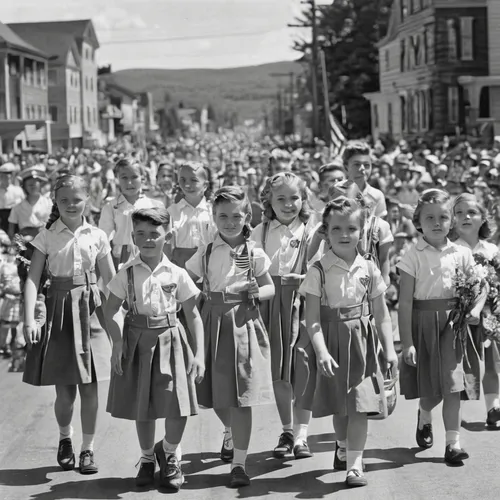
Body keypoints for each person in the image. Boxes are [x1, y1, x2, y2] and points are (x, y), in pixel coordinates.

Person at [295, 196, 397, 488]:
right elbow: (311, 319)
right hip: (331, 343)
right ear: (325, 232)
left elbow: (382, 314)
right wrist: (322, 351)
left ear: (361, 232)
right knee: (341, 407)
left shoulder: (369, 268)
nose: (343, 235)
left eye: (351, 228)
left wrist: (389, 349)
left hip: (363, 344)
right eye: (336, 228)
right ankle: (341, 444)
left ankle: (354, 465)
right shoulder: (318, 270)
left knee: (360, 405)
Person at [105, 208, 204, 490]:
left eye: (154, 234)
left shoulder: (177, 273)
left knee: (178, 404)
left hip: (171, 340)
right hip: (138, 343)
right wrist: (116, 344)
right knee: (144, 407)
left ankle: (170, 453)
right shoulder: (126, 273)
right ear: (133, 236)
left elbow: (193, 315)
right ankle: (147, 458)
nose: (148, 240)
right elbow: (110, 310)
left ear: (167, 236)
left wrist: (199, 354)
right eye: (141, 234)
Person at [22, 175, 115, 474]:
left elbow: (111, 282)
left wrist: (122, 321)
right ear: (55, 201)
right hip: (60, 311)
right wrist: (29, 319)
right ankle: (65, 438)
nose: (71, 205)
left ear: (88, 199)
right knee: (65, 393)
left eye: (77, 199)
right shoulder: (47, 236)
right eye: (64, 200)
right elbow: (33, 279)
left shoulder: (98, 235)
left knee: (90, 388)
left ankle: (88, 449)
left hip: (91, 311)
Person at [186, 186, 275, 488]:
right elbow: (191, 285)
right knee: (214, 393)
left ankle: (239, 463)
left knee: (242, 396)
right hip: (212, 320)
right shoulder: (207, 251)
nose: (229, 222)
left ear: (247, 216)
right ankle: (230, 430)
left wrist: (257, 292)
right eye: (222, 216)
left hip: (243, 322)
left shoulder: (253, 252)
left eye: (236, 216)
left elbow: (269, 287)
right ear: (213, 217)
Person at [397, 189, 484, 465]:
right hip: (424, 325)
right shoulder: (412, 255)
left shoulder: (462, 253)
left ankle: (453, 443)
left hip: (454, 327)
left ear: (452, 221)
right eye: (430, 217)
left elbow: (479, 286)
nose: (437, 223)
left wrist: (475, 309)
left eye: (444, 217)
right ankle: (425, 415)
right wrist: (407, 342)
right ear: (418, 222)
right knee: (433, 390)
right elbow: (405, 304)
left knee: (452, 385)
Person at [251, 172, 314, 459]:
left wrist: (301, 276)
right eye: (281, 199)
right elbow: (248, 266)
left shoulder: (312, 230)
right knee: (279, 370)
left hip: (304, 300)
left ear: (304, 199)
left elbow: (323, 266)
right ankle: (287, 429)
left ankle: (302, 433)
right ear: (269, 201)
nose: (288, 204)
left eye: (294, 198)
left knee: (302, 367)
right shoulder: (261, 231)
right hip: (272, 303)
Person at [452, 193, 500, 429]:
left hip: (489, 312)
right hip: (459, 312)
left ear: (483, 219)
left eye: (472, 213)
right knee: (459, 363)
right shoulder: (449, 248)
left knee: (492, 361)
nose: (465, 217)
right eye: (459, 213)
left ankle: (493, 407)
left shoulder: (491, 249)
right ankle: (454, 412)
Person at [99, 158, 164, 270]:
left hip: (148, 257)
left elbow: (161, 237)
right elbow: (103, 238)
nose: (129, 183)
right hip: (120, 260)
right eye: (124, 177)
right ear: (117, 178)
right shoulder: (111, 207)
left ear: (142, 178)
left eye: (134, 177)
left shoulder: (154, 205)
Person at [167, 161, 217, 269]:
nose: (187, 185)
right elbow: (167, 247)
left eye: (193, 180)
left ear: (205, 185)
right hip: (181, 268)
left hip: (209, 267)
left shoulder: (214, 211)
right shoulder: (172, 212)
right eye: (182, 180)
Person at [343, 141, 387, 218]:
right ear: (346, 167)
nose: (362, 169)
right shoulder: (337, 192)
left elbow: (380, 226)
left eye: (366, 165)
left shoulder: (377, 196)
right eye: (356, 164)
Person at [8, 166, 52, 240]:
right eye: (29, 184)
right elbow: (11, 231)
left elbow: (54, 226)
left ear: (40, 184)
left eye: (35, 183)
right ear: (24, 186)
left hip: (45, 242)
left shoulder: (48, 203)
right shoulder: (17, 207)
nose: (32, 186)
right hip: (25, 244)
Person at [0, 163, 24, 233]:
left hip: (16, 220)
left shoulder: (18, 190)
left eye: (9, 177)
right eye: (4, 177)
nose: (7, 179)